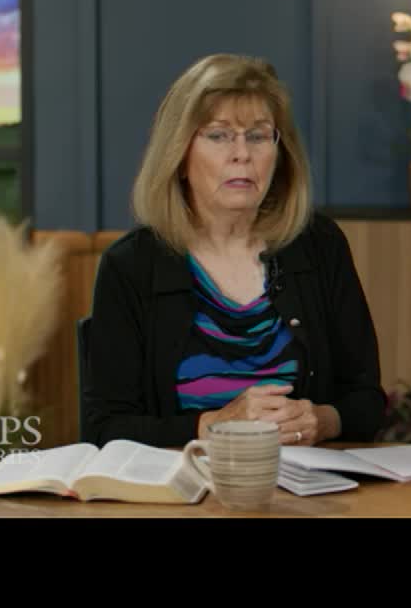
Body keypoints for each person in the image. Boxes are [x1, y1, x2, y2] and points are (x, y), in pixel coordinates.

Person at [82, 53, 386, 448]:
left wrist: (322, 420)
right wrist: (215, 424)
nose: (242, 153)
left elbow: (368, 401)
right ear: (180, 156)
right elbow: (104, 428)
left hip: (304, 494)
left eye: (258, 136)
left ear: (279, 155)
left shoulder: (319, 245)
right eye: (219, 135)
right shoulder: (132, 266)